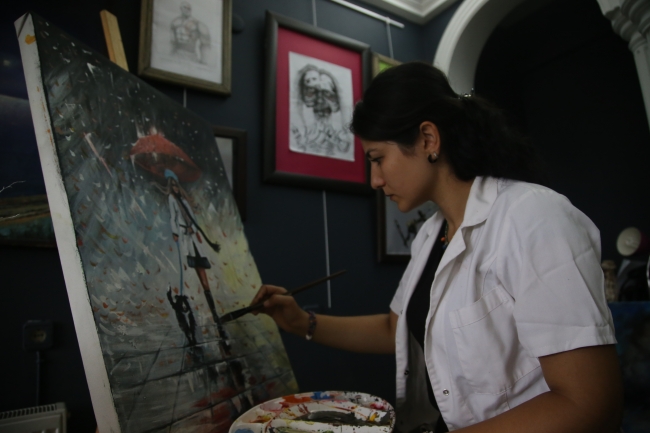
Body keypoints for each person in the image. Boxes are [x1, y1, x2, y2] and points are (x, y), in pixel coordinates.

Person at [251, 62, 623, 433]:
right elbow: (395, 330)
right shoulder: (432, 233)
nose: (375, 180)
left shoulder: (534, 218)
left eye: (378, 159)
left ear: (428, 139)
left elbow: (587, 404)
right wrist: (301, 322)